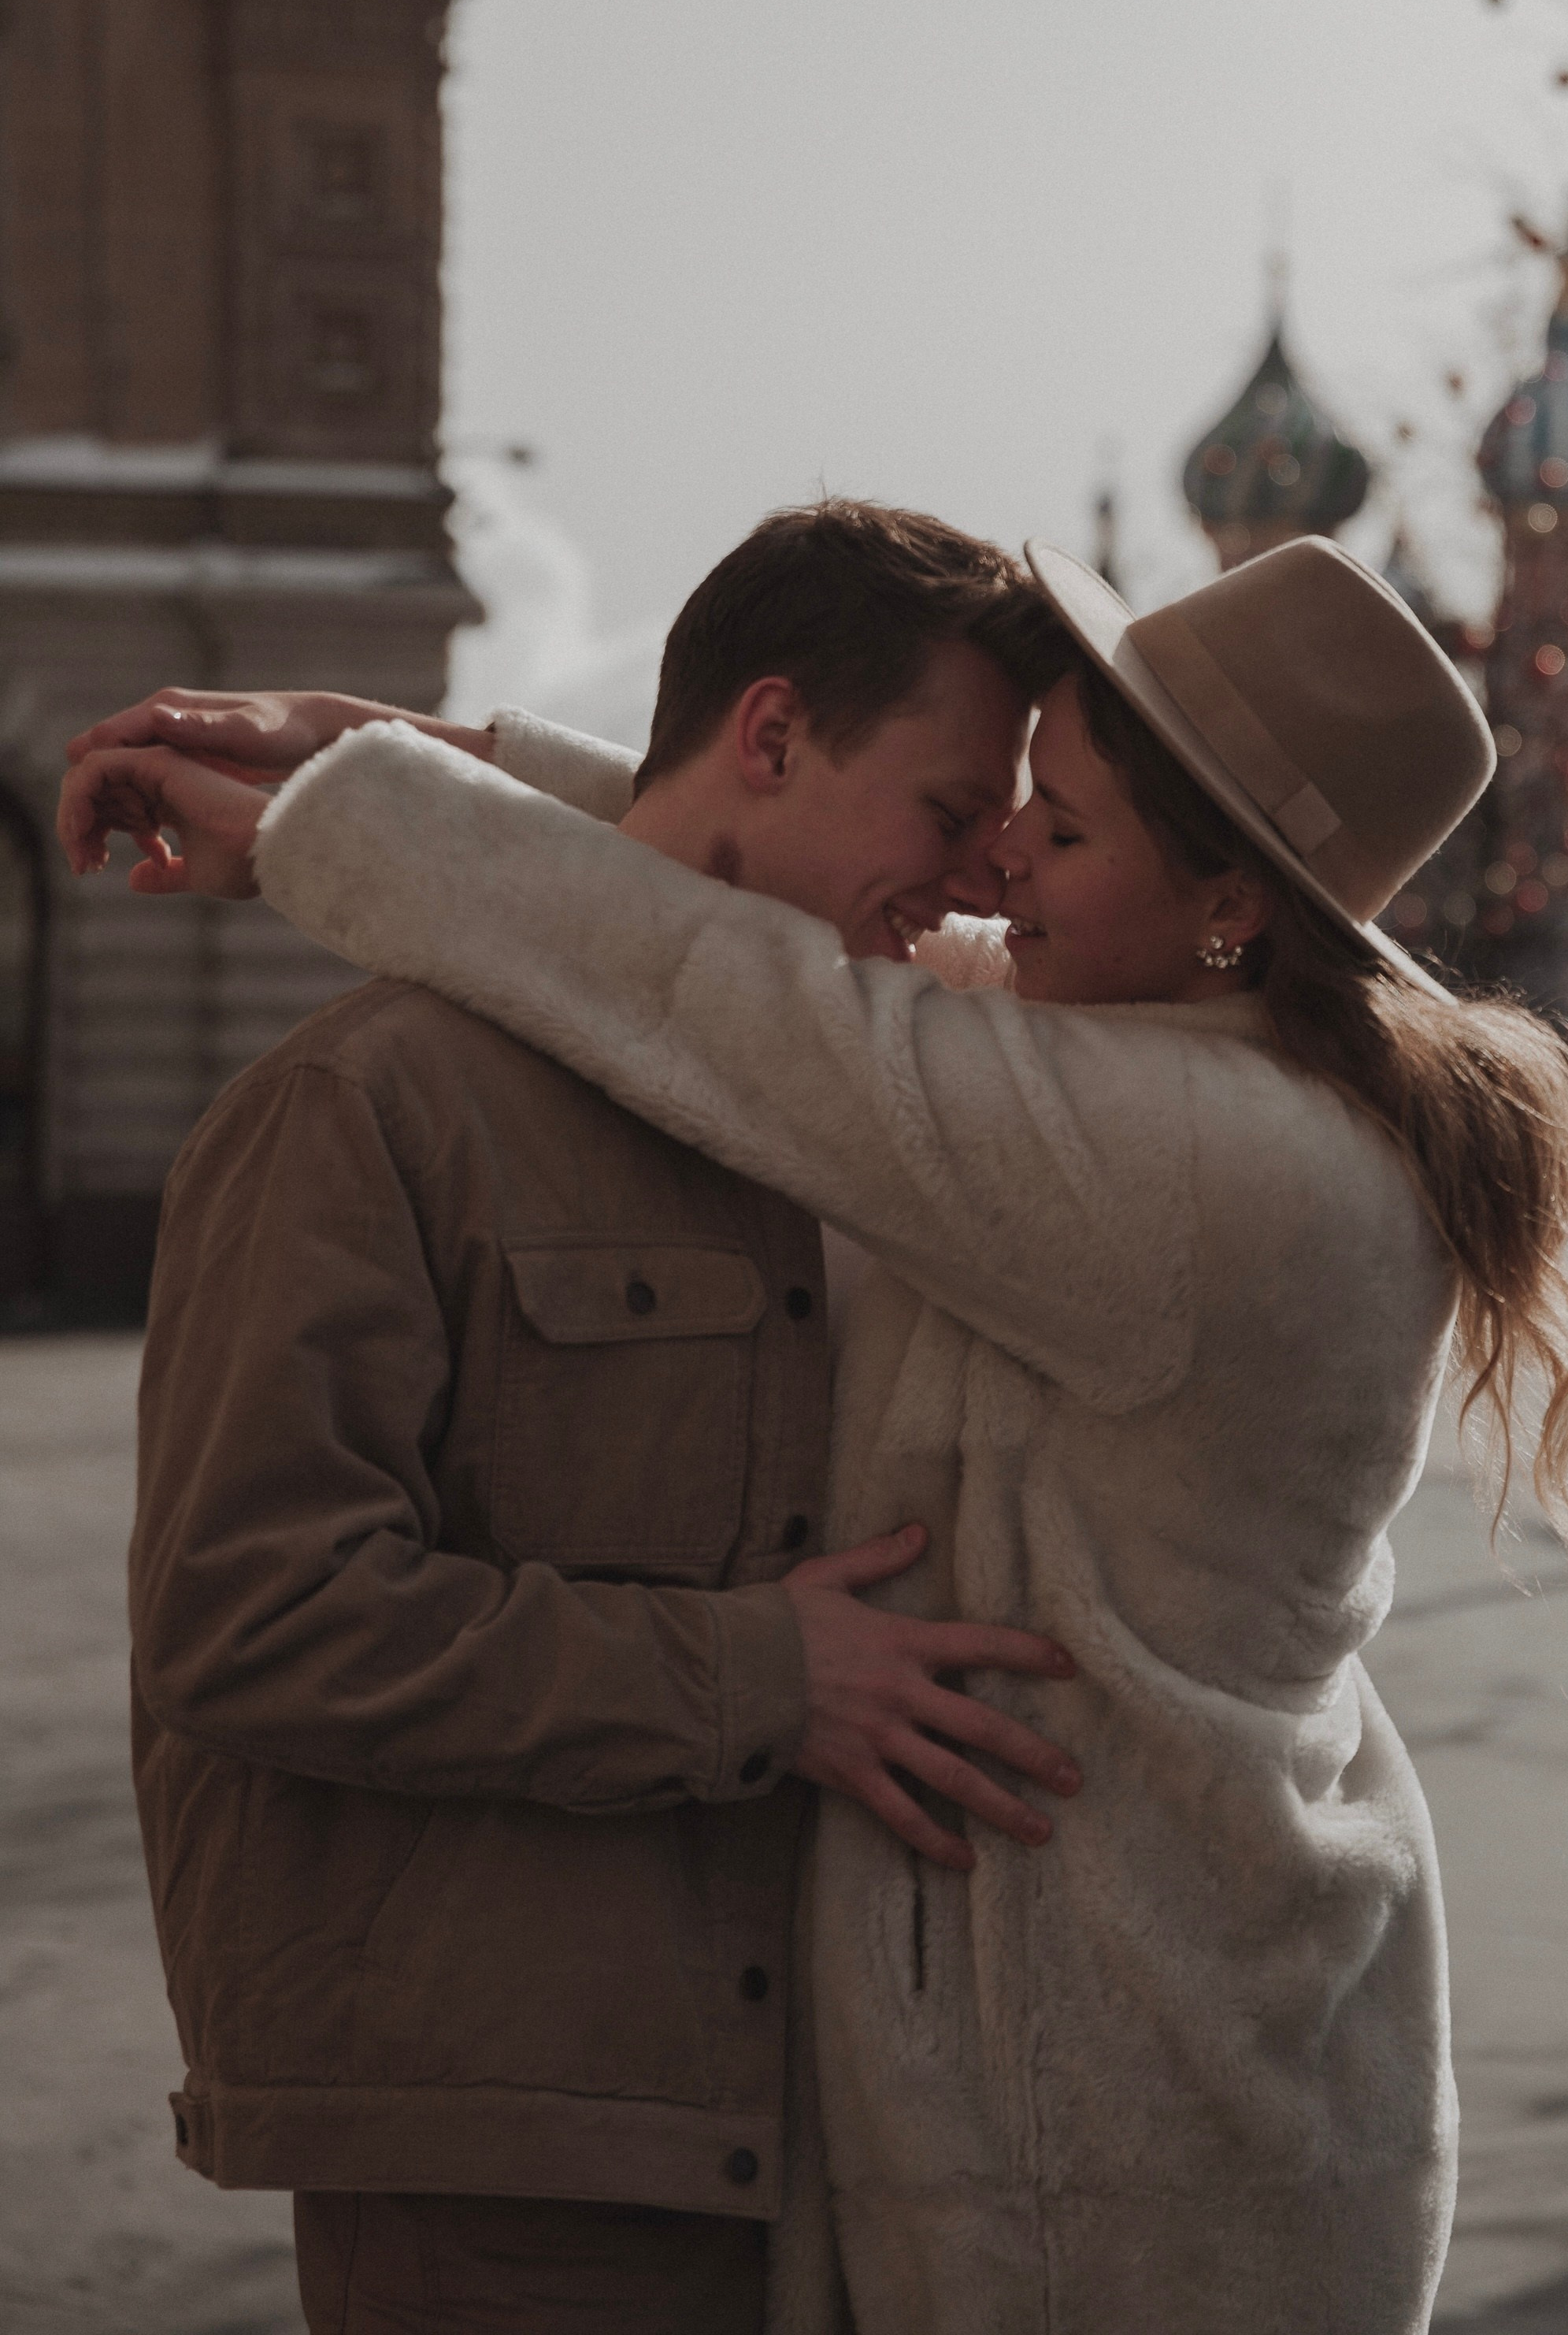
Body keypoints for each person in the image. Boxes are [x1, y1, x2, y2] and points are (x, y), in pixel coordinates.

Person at [64, 529, 1568, 2335]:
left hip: (1140, 2142)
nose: (995, 861)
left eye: (1052, 824)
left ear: (1227, 907)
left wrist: (344, 805)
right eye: (991, 802)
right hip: (1095, 2090)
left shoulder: (1206, 1166)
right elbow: (717, 890)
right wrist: (390, 748)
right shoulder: (1180, 1052)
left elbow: (724, 991)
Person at [68, 503, 1092, 2335]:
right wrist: (760, 1680)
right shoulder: (367, 1108)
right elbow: (249, 1619)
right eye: (950, 811)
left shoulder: (858, 1113)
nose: (972, 886)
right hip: (507, 2167)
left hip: (826, 2158)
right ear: (771, 734)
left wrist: (387, 756)